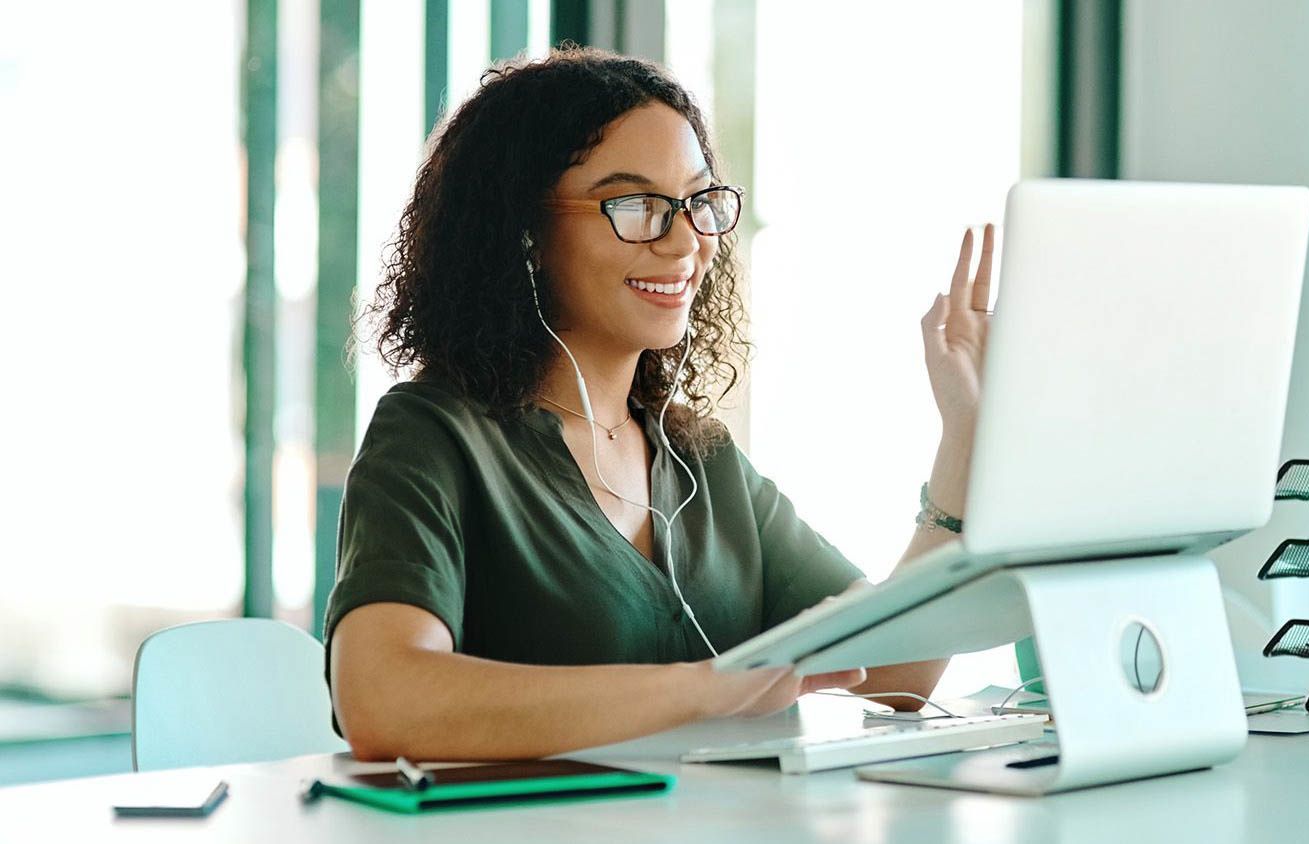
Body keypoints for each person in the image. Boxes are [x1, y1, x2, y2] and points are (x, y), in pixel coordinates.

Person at [326, 46, 995, 762]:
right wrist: (710, 687)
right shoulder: (434, 434)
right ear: (523, 233)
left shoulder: (703, 462)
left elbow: (892, 674)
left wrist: (966, 435)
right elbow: (384, 699)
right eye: (636, 205)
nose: (685, 241)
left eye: (698, 202)